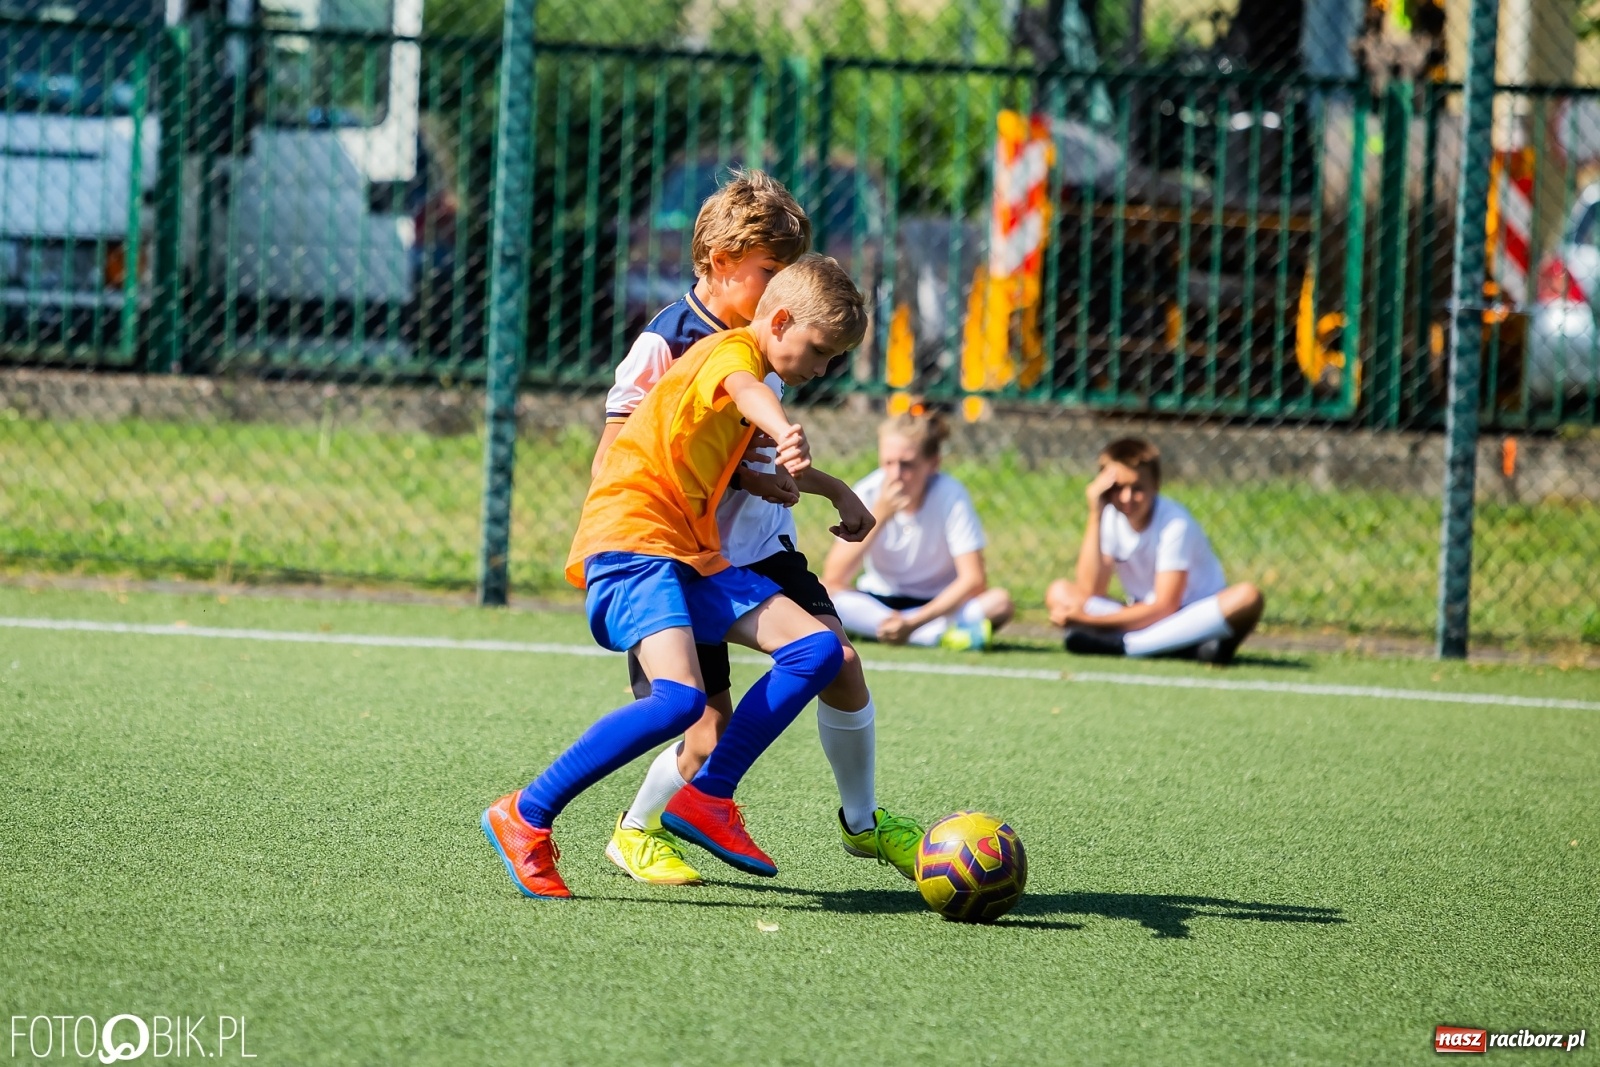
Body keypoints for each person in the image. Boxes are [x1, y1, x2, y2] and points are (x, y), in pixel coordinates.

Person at [481, 255, 873, 899]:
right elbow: (743, 390)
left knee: (819, 650)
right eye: (821, 352)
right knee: (681, 701)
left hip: (689, 548)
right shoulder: (733, 354)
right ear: (779, 321)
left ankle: (708, 797)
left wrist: (826, 486)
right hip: (634, 539)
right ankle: (525, 813)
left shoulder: (752, 365)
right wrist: (786, 429)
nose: (823, 369)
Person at [596, 173, 923, 887]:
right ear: (721, 260)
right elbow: (623, 452)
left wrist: (830, 487)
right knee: (704, 726)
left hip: (765, 545)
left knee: (839, 660)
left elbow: (749, 454)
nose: (785, 287)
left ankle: (862, 823)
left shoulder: (764, 341)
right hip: (687, 556)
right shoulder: (668, 341)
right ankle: (635, 829)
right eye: (773, 271)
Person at [1045, 437, 1264, 664]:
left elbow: (1165, 607)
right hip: (1142, 615)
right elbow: (1090, 590)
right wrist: (1095, 514)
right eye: (1117, 488)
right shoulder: (1108, 516)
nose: (1127, 498)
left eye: (1137, 488)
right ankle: (1180, 648)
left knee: (1248, 597)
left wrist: (1088, 622)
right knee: (1059, 593)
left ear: (1156, 485)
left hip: (1187, 617)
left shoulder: (1175, 523)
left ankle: (1129, 646)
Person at [823, 411, 1014, 652]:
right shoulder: (868, 491)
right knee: (819, 591)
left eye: (907, 465)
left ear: (933, 464)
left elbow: (974, 580)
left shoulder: (951, 495)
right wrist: (879, 515)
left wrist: (913, 623)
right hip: (877, 602)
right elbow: (835, 576)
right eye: (888, 463)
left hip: (936, 606)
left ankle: (897, 631)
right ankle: (937, 636)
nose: (895, 475)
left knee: (999, 603)